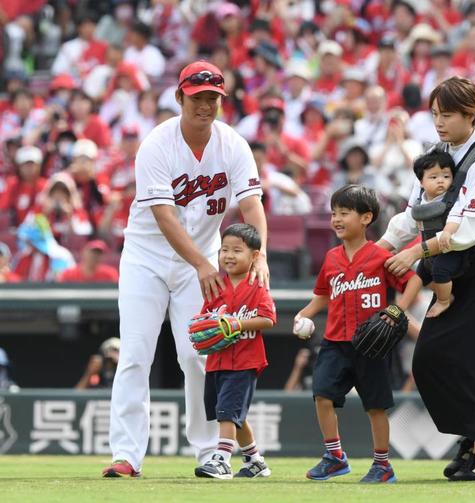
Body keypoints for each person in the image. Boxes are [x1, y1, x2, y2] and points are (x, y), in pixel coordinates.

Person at [103, 60, 269, 478]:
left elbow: (251, 206)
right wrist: (201, 263)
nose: (206, 104)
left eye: (213, 97)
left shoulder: (232, 144)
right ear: (180, 97)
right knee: (135, 353)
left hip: (205, 257)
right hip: (148, 256)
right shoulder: (157, 144)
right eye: (197, 96)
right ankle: (127, 455)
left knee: (199, 353)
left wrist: (260, 253)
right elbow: (163, 214)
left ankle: (211, 451)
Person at [379, 76, 475, 482]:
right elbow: (416, 212)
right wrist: (380, 248)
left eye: (446, 115)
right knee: (433, 358)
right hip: (455, 269)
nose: (438, 123)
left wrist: (416, 252)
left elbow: (473, 228)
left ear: (471, 114)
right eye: (434, 114)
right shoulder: (438, 153)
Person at [293, 185, 422, 484]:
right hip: (335, 341)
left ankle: (382, 464)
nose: (336, 219)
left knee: (375, 406)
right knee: (322, 395)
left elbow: (413, 282)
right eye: (334, 213)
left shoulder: (379, 256)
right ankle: (335, 456)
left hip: (370, 344)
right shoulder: (332, 258)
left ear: (366, 218)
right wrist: (305, 314)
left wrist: (397, 310)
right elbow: (323, 295)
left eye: (344, 213)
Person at [194, 224, 275, 480]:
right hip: (217, 361)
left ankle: (222, 460)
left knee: (228, 411)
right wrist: (201, 328)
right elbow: (205, 320)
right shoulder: (217, 286)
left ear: (254, 256)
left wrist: (236, 324)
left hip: (245, 361)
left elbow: (268, 319)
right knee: (230, 412)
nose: (228, 255)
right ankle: (255, 461)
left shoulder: (257, 284)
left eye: (237, 250)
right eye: (224, 249)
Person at [411, 148, 463, 317]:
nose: (441, 181)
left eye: (446, 176)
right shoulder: (420, 201)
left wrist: (447, 232)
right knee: (420, 274)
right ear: (421, 181)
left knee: (440, 269)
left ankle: (443, 300)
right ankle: (446, 293)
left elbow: (456, 217)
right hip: (429, 250)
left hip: (450, 249)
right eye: (433, 177)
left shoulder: (454, 199)